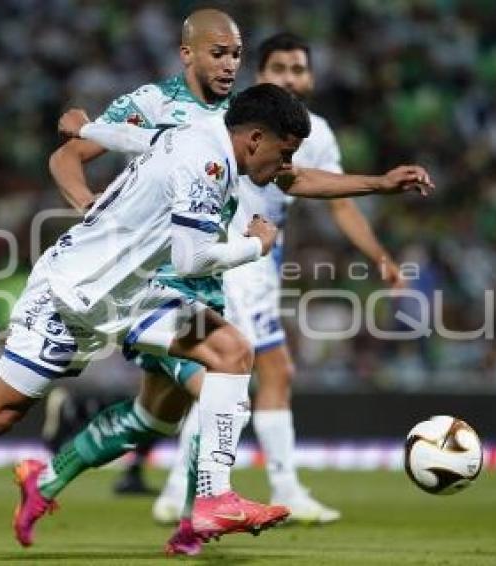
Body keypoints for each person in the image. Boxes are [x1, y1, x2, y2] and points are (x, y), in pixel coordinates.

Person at [0, 83, 314, 562]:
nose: (286, 168)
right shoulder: (210, 163)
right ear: (257, 139)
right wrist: (257, 245)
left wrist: (89, 128)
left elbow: (143, 139)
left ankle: (213, 498)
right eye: (285, 154)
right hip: (70, 293)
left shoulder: (203, 133)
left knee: (231, 351)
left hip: (134, 295)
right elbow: (190, 258)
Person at [153, 31, 406, 530]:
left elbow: (334, 197)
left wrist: (377, 253)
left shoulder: (317, 133)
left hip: (263, 261)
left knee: (250, 374)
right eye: (280, 69)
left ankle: (190, 488)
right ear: (260, 75)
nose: (291, 77)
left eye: (299, 68)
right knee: (251, 370)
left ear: (310, 76)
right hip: (232, 257)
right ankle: (224, 489)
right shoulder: (235, 124)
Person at [42, 7, 244, 496]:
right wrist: (92, 208)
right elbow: (67, 155)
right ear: (187, 52)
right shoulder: (153, 102)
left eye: (237, 54)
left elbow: (290, 175)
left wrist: (374, 184)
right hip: (157, 287)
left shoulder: (241, 116)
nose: (230, 65)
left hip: (206, 278)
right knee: (221, 383)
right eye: (218, 53)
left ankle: (45, 479)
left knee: (153, 419)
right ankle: (203, 517)